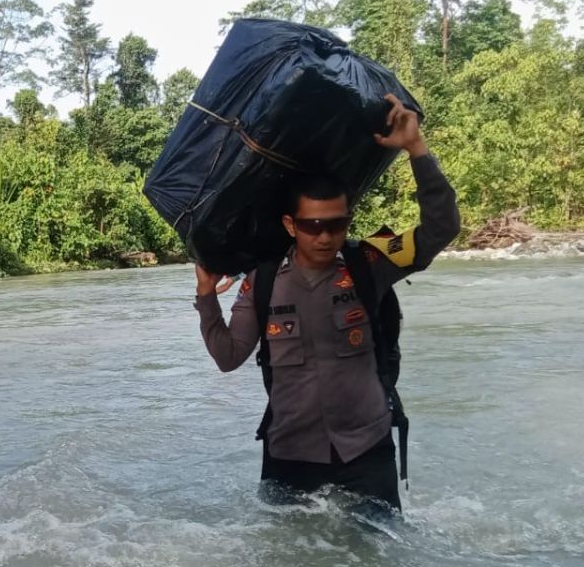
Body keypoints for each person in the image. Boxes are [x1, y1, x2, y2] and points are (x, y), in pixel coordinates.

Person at [193, 94, 459, 513]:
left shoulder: (370, 262)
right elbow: (228, 356)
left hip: (366, 451)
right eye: (312, 225)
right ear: (290, 225)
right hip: (289, 457)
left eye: (336, 224)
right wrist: (206, 297)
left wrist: (416, 148)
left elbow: (441, 228)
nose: (324, 235)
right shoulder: (262, 283)